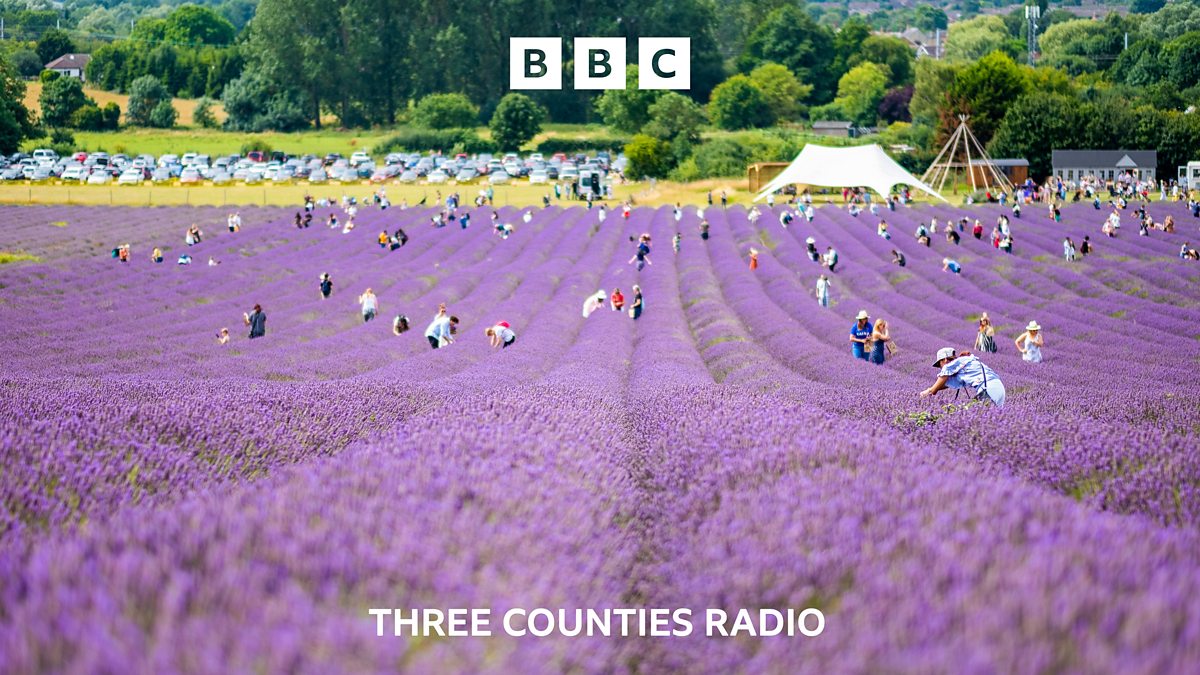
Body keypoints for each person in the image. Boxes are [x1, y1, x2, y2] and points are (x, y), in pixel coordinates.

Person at [921, 347, 1006, 406]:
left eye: (940, 365)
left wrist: (927, 392)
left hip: (988, 390)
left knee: (975, 417)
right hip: (999, 389)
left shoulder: (949, 366)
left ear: (944, 360)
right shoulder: (962, 364)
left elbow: (934, 390)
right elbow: (945, 384)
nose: (941, 368)